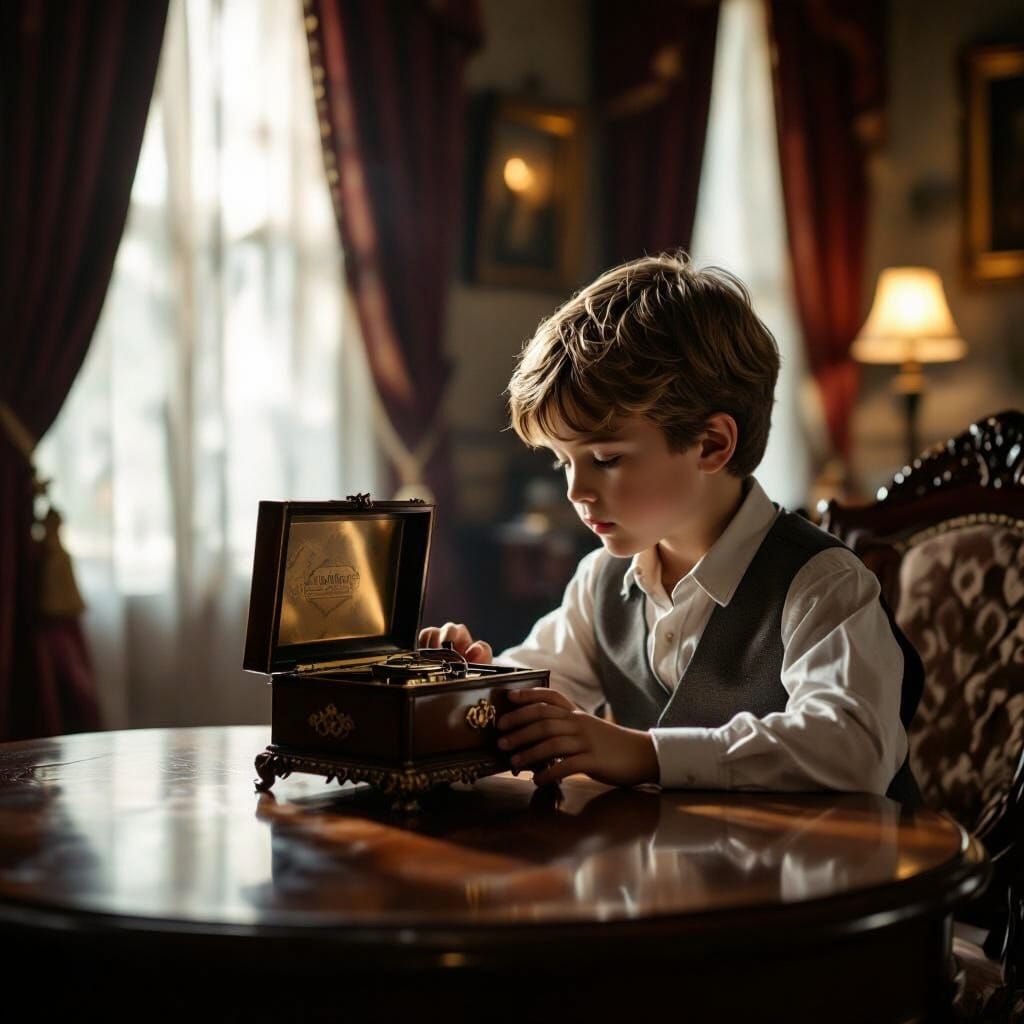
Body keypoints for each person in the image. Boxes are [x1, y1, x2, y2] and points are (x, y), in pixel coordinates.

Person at [419, 250, 922, 802]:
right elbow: (538, 690)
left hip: (840, 879)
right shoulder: (602, 582)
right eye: (564, 461)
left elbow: (854, 748)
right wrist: (476, 683)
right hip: (673, 878)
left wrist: (644, 753)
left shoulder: (821, 583)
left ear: (711, 444)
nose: (575, 490)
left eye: (606, 458)